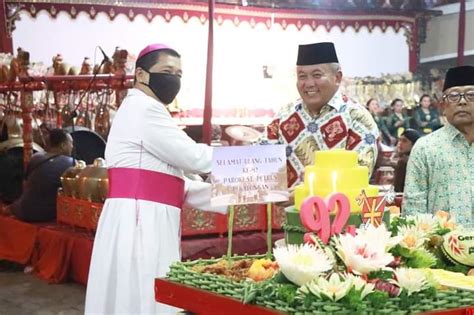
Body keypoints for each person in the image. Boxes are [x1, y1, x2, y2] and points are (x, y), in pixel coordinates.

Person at [85, 44, 226, 314]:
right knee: (146, 296)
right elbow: (194, 157)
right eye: (166, 71)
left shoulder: (141, 109)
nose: (174, 79)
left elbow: (176, 185)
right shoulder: (144, 109)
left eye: (179, 73)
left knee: (137, 296)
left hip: (142, 214)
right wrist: (255, 166)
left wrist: (250, 192)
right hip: (141, 221)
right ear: (140, 74)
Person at [259, 42, 379, 189]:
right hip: (285, 211)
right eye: (302, 76)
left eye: (317, 75)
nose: (309, 83)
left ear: (337, 77)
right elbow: (260, 158)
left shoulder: (357, 117)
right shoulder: (283, 116)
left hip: (337, 211)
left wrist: (305, 193)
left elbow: (359, 176)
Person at [403, 65, 474, 225]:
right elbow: (413, 213)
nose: (462, 101)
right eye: (454, 96)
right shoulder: (425, 148)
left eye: (471, 95)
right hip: (440, 248)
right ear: (443, 106)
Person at [3, 129, 73, 222]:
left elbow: (25, 184)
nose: (72, 146)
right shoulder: (70, 163)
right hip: (44, 215)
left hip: (22, 210)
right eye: (71, 143)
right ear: (63, 145)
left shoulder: (36, 157)